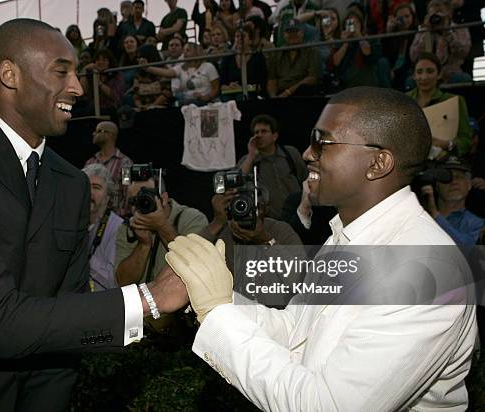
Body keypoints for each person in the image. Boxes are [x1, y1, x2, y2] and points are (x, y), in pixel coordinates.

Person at [0, 18, 187, 411]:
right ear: (10, 75)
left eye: (77, 72)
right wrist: (150, 298)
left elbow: (68, 324)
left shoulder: (71, 183)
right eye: (62, 71)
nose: (77, 87)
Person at [166, 86, 477, 410]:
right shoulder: (343, 239)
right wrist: (216, 295)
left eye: (323, 142)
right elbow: (294, 332)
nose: (307, 154)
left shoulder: (430, 271)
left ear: (378, 162)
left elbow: (325, 405)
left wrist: (218, 313)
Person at [115, 174, 208, 287]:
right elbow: (123, 282)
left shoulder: (193, 219)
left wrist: (162, 226)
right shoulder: (127, 228)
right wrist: (143, 244)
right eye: (134, 200)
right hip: (141, 301)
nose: (141, 205)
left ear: (163, 199)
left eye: (145, 198)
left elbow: (195, 266)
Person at [237, 114, 307, 221]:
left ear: (274, 136)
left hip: (297, 216)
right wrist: (251, 155)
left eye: (264, 131)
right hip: (270, 220)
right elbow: (237, 184)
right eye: (256, 132)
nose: (259, 136)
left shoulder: (290, 153)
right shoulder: (249, 160)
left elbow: (305, 179)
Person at [406, 52, 471, 158]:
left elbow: (465, 141)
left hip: (444, 162)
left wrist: (448, 144)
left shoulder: (453, 101)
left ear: (439, 74)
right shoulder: (404, 101)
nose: (424, 77)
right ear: (414, 76)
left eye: (430, 71)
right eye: (419, 72)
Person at [421, 157, 484, 245]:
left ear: (469, 184)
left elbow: (469, 251)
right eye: (446, 177)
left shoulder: (477, 223)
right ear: (436, 185)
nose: (454, 182)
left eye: (459, 177)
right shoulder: (420, 215)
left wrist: (436, 216)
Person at [83, 163, 124, 291]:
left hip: (102, 304)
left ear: (108, 198)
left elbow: (114, 282)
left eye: (96, 187)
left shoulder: (118, 228)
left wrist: (83, 255)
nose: (89, 192)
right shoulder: (69, 222)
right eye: (85, 186)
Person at [409, 0, 471, 84]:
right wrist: (426, 31)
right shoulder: (423, 31)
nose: (439, 8)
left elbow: (463, 52)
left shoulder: (460, 29)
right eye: (434, 5)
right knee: (410, 81)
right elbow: (414, 56)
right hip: (426, 74)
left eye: (445, 5)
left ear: (450, 11)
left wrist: (447, 32)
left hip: (451, 74)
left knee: (464, 78)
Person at [84, 121, 134, 217]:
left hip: (115, 219)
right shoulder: (90, 162)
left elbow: (127, 191)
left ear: (109, 135)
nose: (93, 134)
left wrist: (119, 216)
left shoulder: (125, 163)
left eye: (98, 131)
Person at [267, 19, 321, 98]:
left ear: (302, 33)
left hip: (302, 94)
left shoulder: (312, 51)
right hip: (280, 94)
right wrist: (273, 97)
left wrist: (288, 92)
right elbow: (271, 79)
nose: (292, 35)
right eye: (289, 32)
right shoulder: (276, 53)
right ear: (284, 35)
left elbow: (313, 78)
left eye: (295, 31)